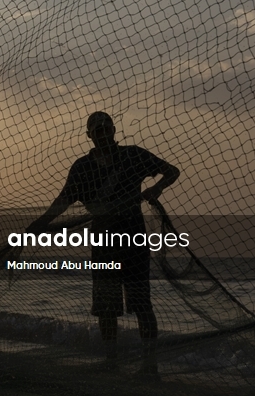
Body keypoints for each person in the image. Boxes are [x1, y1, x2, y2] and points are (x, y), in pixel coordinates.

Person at [28, 112, 179, 375]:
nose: (102, 133)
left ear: (113, 129)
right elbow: (63, 200)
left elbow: (172, 171)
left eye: (106, 128)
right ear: (89, 135)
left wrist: (157, 189)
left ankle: (149, 364)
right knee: (106, 307)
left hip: (133, 240)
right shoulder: (82, 168)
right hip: (103, 243)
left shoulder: (133, 155)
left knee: (142, 304)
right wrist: (41, 223)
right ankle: (111, 362)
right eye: (96, 130)